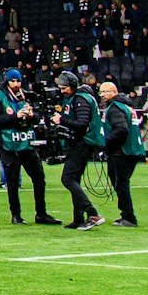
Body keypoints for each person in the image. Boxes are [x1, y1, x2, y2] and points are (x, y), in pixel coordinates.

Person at [0, 69, 57, 224]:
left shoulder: (27, 96)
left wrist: (32, 116)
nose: (16, 84)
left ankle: (41, 213)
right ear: (7, 81)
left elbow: (39, 116)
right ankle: (16, 215)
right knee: (12, 182)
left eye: (18, 81)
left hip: (27, 143)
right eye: (13, 81)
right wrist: (14, 117)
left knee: (39, 178)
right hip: (9, 145)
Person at [51, 71, 106, 230]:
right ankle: (78, 219)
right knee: (74, 179)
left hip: (83, 143)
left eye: (64, 88)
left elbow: (82, 123)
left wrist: (61, 120)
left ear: (73, 86)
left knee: (67, 179)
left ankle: (92, 213)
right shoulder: (79, 97)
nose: (62, 91)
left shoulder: (81, 99)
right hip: (82, 142)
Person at [100, 82, 145, 227]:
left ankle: (129, 217)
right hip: (133, 149)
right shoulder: (127, 106)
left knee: (121, 183)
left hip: (121, 151)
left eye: (105, 92)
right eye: (101, 92)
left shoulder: (115, 108)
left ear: (114, 92)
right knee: (120, 182)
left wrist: (104, 142)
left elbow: (121, 130)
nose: (102, 95)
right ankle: (125, 214)